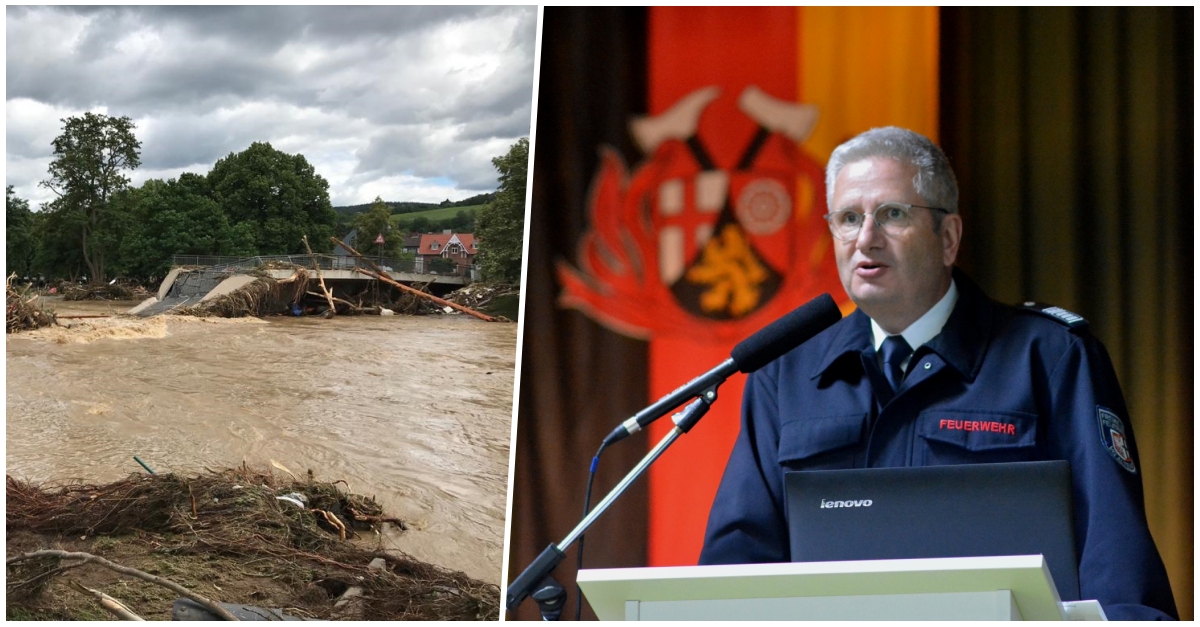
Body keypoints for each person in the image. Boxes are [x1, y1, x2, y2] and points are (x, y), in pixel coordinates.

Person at [698, 127, 1177, 620]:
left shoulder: (1050, 357)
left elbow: (1113, 551)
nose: (865, 238)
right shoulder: (786, 374)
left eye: (893, 214)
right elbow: (737, 561)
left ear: (948, 238)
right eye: (847, 218)